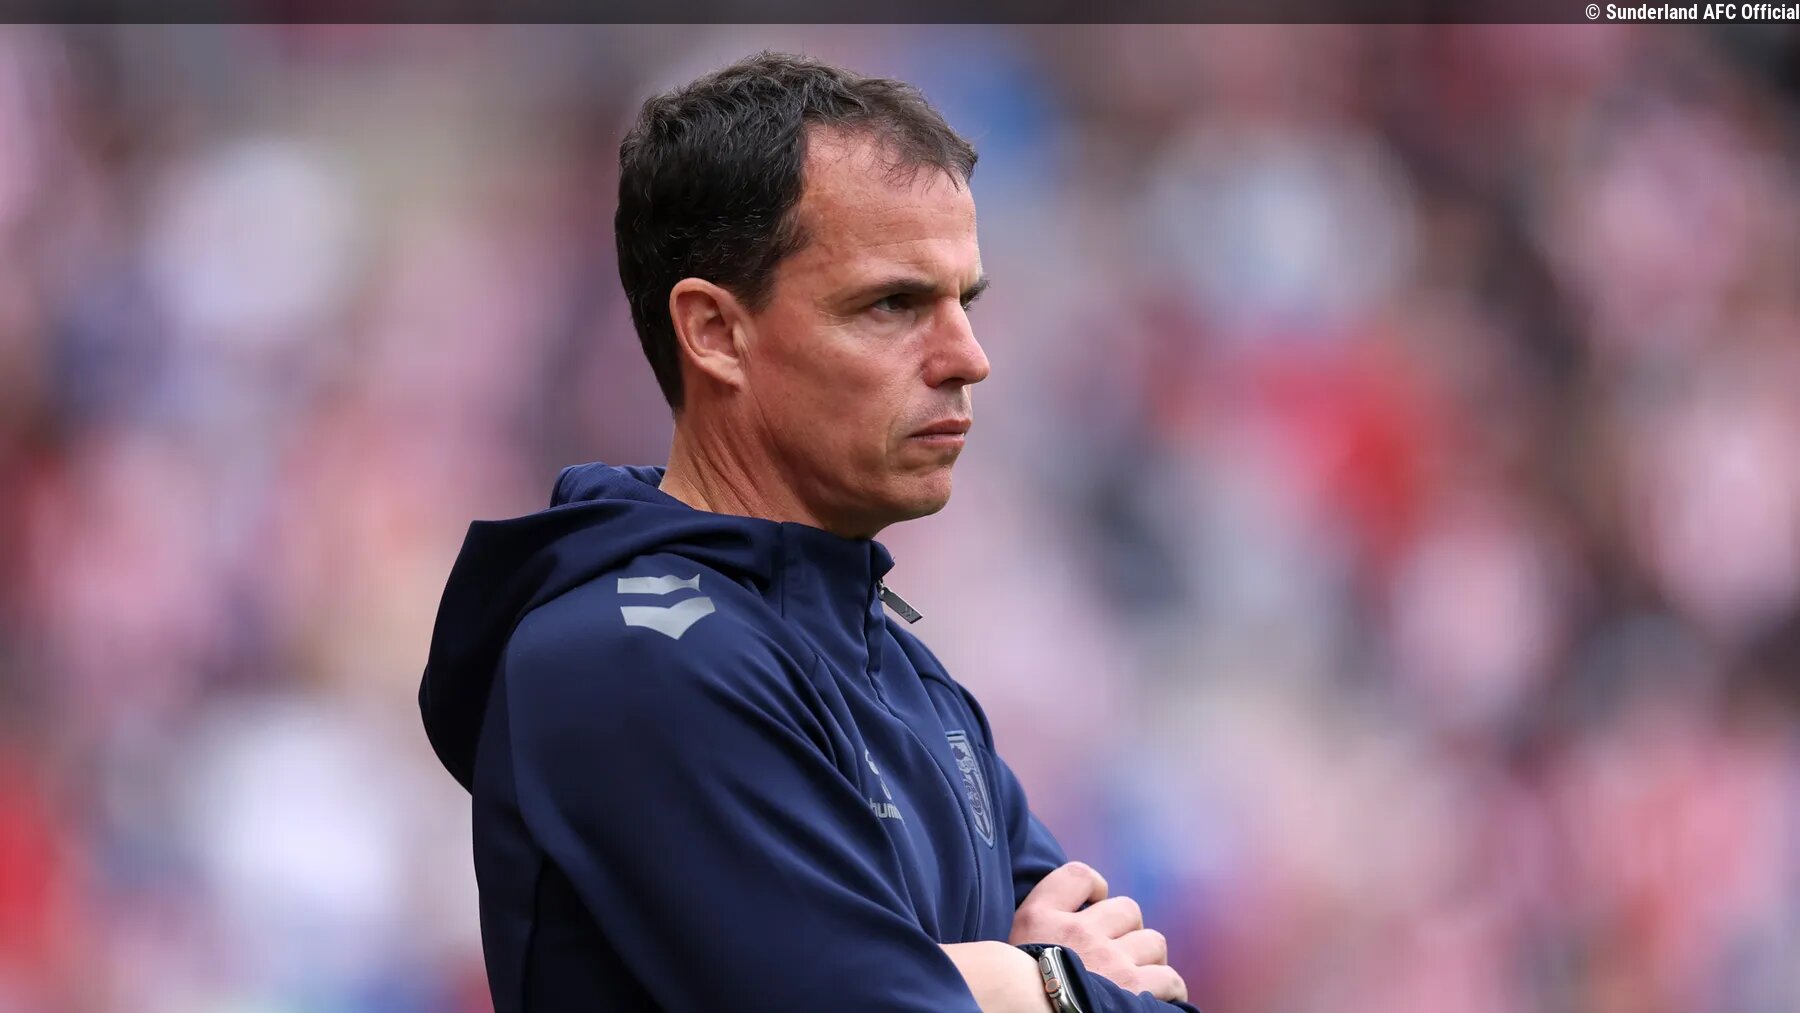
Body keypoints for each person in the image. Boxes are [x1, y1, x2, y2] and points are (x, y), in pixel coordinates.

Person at [420, 51, 1197, 1013]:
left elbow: (1148, 992)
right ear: (715, 331)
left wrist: (1017, 982)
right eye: (894, 303)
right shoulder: (631, 656)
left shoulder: (905, 673)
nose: (969, 357)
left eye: (964, 302)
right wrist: (1040, 979)